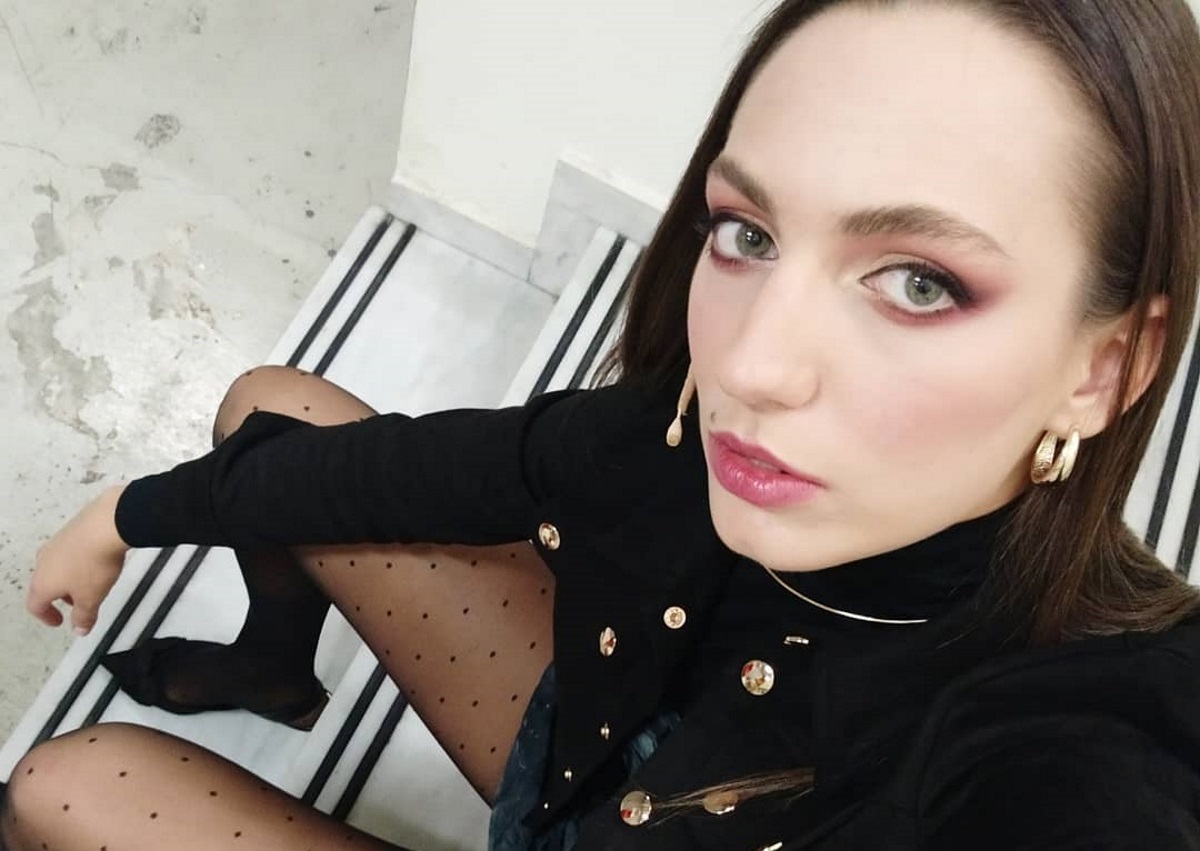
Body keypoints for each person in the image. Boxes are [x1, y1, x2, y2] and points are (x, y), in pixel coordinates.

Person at [5, 0, 1200, 847]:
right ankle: (275, 663)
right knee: (269, 414)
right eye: (749, 232)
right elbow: (455, 465)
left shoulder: (1077, 733)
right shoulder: (675, 428)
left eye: (921, 282)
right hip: (575, 749)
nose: (752, 364)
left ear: (1107, 366)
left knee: (60, 789)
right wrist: (126, 511)